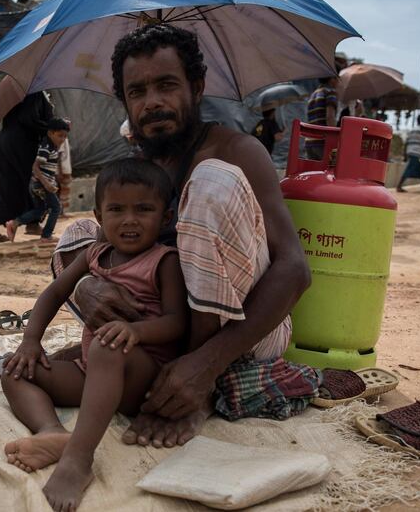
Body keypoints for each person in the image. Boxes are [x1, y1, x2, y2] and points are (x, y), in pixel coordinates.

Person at [51, 24, 316, 451]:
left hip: (245, 332)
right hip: (167, 325)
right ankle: (158, 372)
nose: (152, 102)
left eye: (166, 85)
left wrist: (205, 365)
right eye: (137, 92)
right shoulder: (141, 166)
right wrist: (86, 286)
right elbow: (103, 250)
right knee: (79, 233)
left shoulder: (235, 150)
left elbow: (294, 270)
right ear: (125, 103)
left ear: (196, 88)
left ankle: (199, 391)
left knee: (208, 182)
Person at [2, 158, 188, 511]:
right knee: (15, 370)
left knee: (107, 343)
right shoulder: (94, 253)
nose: (129, 220)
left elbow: (177, 323)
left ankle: (78, 459)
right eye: (116, 209)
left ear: (165, 218)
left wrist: (134, 329)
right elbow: (53, 294)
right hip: (93, 372)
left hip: (140, 378)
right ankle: (52, 432)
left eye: (144, 209)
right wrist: (30, 342)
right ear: (99, 217)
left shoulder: (165, 261)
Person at [0, 91, 53, 243]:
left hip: (6, 140)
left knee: (8, 184)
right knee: (29, 182)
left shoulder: (14, 91)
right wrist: (51, 127)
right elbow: (29, 119)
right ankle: (32, 224)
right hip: (21, 143)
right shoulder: (33, 92)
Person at [6, 117, 70, 242]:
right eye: (60, 136)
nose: (62, 139)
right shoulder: (46, 147)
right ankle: (46, 235)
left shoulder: (50, 145)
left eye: (64, 137)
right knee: (56, 208)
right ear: (50, 133)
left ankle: (14, 223)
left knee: (40, 209)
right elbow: (35, 166)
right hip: (40, 184)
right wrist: (46, 184)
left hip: (36, 184)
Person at [304, 76, 339, 160]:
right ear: (332, 79)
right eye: (338, 78)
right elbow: (330, 117)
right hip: (323, 142)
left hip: (310, 141)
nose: (339, 82)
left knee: (314, 172)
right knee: (332, 170)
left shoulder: (314, 94)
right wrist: (335, 139)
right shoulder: (330, 92)